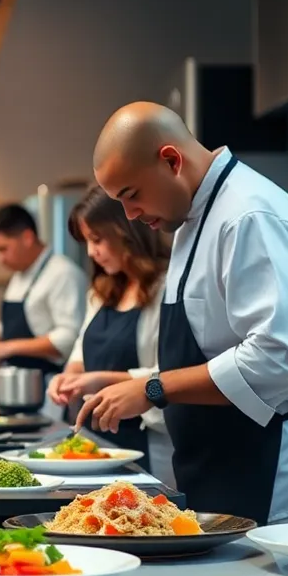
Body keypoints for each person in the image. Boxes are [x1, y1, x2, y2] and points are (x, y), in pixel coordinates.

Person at [76, 102, 288, 526]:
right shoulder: (193, 218)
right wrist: (134, 383)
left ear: (171, 161)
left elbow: (280, 358)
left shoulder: (250, 215)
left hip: (262, 464)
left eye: (132, 195)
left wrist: (154, 388)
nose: (131, 216)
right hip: (214, 461)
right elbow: (206, 349)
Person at [47, 186, 174, 479]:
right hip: (96, 438)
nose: (91, 252)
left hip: (145, 437)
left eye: (97, 240)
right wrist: (68, 378)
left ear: (125, 231)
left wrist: (99, 379)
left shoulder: (166, 287)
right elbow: (80, 351)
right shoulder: (102, 290)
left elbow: (169, 375)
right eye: (87, 242)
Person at [0, 204, 86, 373]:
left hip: (50, 379)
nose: (0, 259)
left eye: (3, 249)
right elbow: (10, 328)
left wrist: (6, 347)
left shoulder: (63, 273)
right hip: (16, 379)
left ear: (27, 238)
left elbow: (70, 337)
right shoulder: (20, 274)